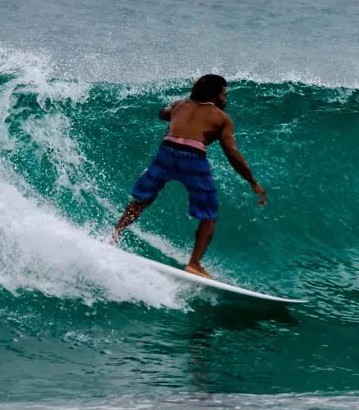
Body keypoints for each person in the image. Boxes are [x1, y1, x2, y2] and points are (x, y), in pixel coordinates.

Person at [111, 74, 266, 278]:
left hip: (165, 152)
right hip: (193, 159)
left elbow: (162, 113)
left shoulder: (179, 105)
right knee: (209, 215)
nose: (225, 99)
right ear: (215, 95)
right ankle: (194, 264)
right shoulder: (222, 118)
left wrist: (170, 111)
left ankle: (114, 237)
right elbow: (232, 153)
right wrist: (252, 182)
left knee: (142, 199)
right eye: (224, 94)